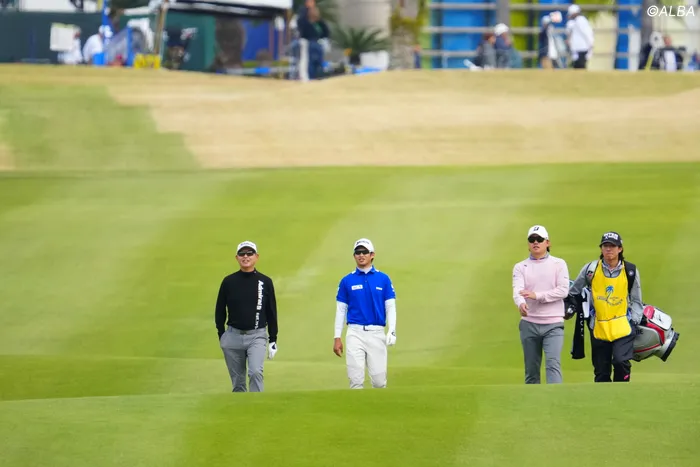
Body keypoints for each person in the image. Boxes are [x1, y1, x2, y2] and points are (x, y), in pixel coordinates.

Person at [569, 232, 643, 383]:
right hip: (598, 326)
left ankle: (621, 393)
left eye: (612, 246)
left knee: (621, 362)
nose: (608, 249)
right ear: (601, 249)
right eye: (605, 246)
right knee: (601, 372)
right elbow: (574, 292)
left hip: (622, 325)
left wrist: (634, 322)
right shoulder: (590, 269)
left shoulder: (630, 271)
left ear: (620, 249)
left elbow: (636, 300)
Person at [215, 241, 279, 392]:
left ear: (256, 257)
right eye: (242, 254)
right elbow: (220, 310)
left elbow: (271, 311)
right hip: (232, 336)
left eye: (249, 253)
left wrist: (273, 338)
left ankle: (257, 405)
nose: (245, 257)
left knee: (255, 372)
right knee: (238, 382)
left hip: (257, 336)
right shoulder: (228, 282)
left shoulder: (264, 282)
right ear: (236, 257)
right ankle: (240, 406)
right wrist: (222, 335)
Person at [333, 238, 397, 389]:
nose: (361, 255)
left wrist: (392, 330)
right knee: (355, 380)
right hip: (355, 333)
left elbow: (390, 306)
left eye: (364, 252)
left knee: (379, 382)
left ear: (372, 255)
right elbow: (341, 310)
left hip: (377, 333)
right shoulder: (347, 281)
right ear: (354, 256)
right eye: (358, 252)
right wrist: (337, 337)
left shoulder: (383, 279)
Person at [512, 225, 570, 384]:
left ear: (547, 243)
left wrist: (537, 296)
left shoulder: (559, 264)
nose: (535, 242)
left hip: (553, 323)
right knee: (531, 369)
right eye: (532, 240)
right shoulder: (520, 267)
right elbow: (518, 290)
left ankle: (555, 397)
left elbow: (563, 291)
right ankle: (533, 399)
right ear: (528, 243)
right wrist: (521, 304)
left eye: (539, 239)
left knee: (553, 365)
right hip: (529, 323)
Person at [566, 4, 594, 69]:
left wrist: (591, 44)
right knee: (576, 66)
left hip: (582, 48)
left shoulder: (581, 20)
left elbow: (587, 33)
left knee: (580, 66)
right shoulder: (574, 21)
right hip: (576, 48)